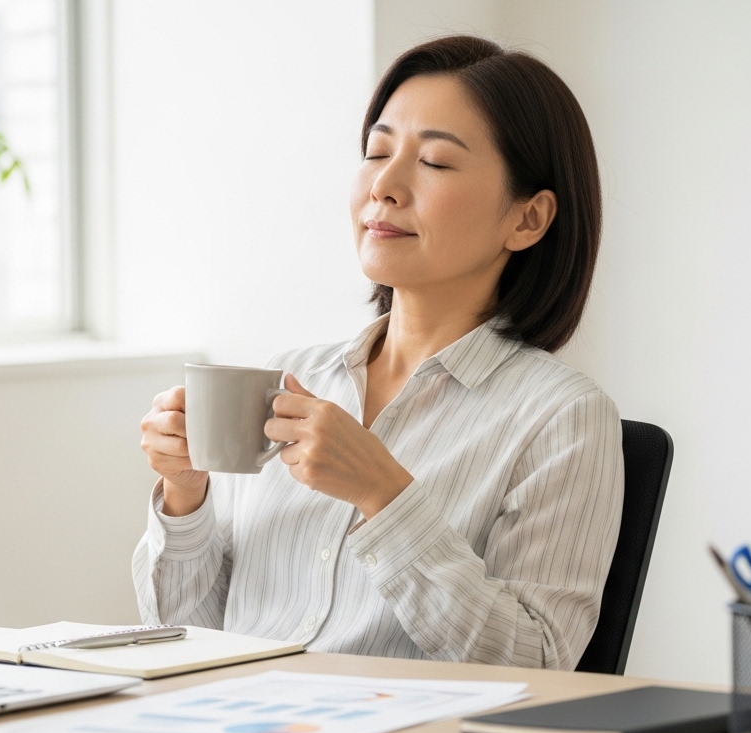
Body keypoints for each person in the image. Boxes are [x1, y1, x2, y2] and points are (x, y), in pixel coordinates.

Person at [134, 35, 623, 670]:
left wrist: (383, 494)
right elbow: (185, 639)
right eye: (377, 152)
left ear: (527, 220)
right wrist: (184, 495)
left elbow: (537, 664)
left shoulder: (563, 417)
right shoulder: (294, 378)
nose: (384, 186)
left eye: (437, 163)